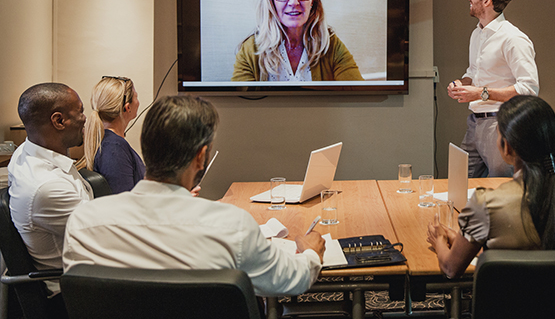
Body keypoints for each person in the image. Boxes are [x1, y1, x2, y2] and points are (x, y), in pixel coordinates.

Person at [63, 95, 325, 297]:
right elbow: (291, 280)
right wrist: (311, 253)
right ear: (201, 156)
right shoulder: (232, 226)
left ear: (147, 148)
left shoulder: (83, 222)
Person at [427, 95, 555, 279]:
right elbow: (538, 256)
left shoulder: (485, 204)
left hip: (508, 307)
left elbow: (452, 268)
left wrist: (439, 240)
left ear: (506, 147)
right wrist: (463, 240)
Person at [447, 0, 539, 177]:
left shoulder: (513, 39)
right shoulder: (477, 33)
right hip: (475, 123)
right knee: (459, 183)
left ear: (487, 0)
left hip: (501, 124)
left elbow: (529, 89)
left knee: (500, 187)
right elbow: (473, 72)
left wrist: (480, 93)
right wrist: (461, 83)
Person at [9, 83, 93, 301]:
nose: (85, 118)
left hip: (84, 271)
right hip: (74, 293)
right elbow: (106, 236)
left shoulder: (26, 151)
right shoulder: (46, 187)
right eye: (81, 111)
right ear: (58, 121)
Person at [232, 0, 364, 82]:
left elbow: (358, 95)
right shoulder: (251, 49)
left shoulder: (330, 44)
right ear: (271, 1)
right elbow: (239, 104)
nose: (293, 2)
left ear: (313, 1)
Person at [83, 76, 145, 194]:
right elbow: (122, 201)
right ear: (128, 107)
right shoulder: (114, 147)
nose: (138, 102)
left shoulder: (108, 142)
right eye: (136, 97)